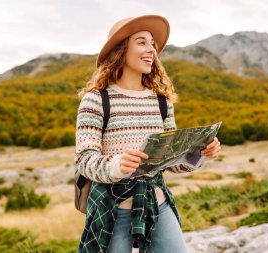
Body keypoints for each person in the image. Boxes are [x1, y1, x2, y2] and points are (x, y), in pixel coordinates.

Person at [74, 14, 221, 253]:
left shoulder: (162, 102)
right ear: (121, 50)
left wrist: (200, 154)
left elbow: (171, 163)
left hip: (157, 205)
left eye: (152, 43)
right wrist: (117, 165)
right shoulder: (96, 100)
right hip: (112, 209)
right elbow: (84, 160)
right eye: (141, 42)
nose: (151, 49)